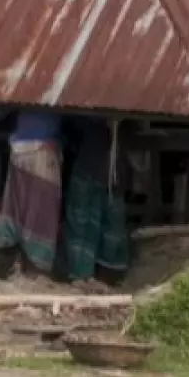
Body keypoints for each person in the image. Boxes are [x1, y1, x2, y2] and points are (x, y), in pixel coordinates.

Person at [0, 111, 63, 276]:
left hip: (21, 151)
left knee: (19, 207)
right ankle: (33, 266)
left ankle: (17, 262)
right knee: (40, 212)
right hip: (41, 153)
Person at [62, 116, 131, 284]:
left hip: (92, 169)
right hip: (108, 172)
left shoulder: (90, 117)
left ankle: (83, 273)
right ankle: (104, 273)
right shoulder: (122, 121)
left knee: (82, 222)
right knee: (108, 223)